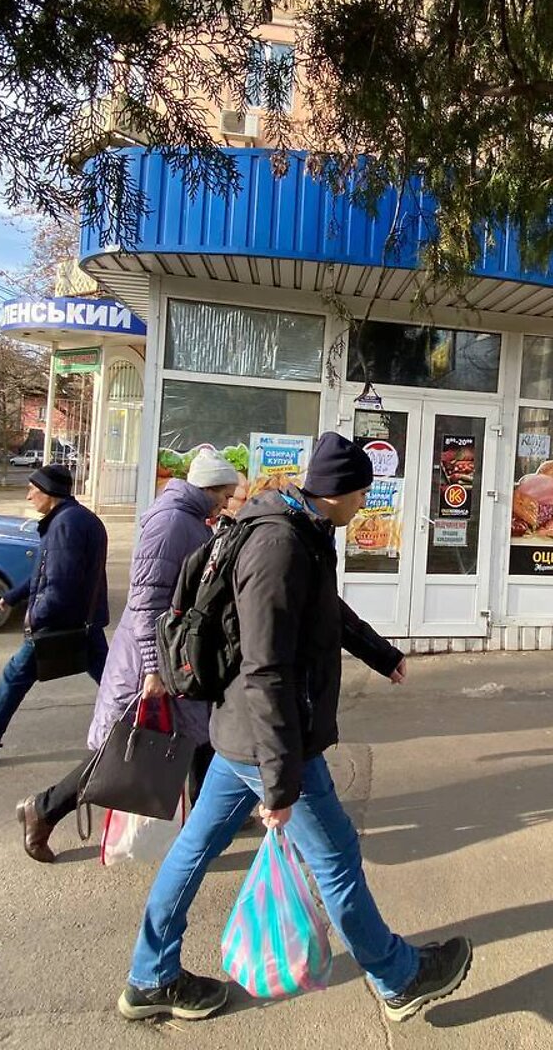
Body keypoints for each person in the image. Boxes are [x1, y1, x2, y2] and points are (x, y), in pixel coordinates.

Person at [118, 432, 472, 1026]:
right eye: (362, 492)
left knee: (193, 851)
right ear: (338, 492)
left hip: (242, 734)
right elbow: (266, 667)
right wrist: (280, 783)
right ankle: (399, 977)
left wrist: (381, 654)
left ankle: (149, 978)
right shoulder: (280, 546)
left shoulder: (299, 527)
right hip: (272, 739)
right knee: (335, 859)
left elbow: (323, 612)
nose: (365, 503)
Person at [14, 449, 241, 863]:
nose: (225, 503)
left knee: (199, 739)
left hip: (175, 655)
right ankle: (44, 808)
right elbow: (147, 600)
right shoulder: (173, 522)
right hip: (151, 661)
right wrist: (154, 668)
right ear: (207, 488)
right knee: (124, 753)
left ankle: (214, 821)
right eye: (223, 494)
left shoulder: (187, 518)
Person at [0, 464, 109, 766]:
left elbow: (60, 583)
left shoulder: (65, 525)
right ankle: (157, 727)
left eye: (33, 490)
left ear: (49, 493)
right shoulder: (75, 519)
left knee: (14, 676)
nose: (28, 497)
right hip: (82, 621)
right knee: (113, 681)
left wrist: (36, 618)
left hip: (63, 622)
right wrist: (14, 596)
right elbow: (46, 571)